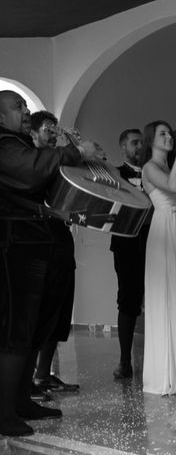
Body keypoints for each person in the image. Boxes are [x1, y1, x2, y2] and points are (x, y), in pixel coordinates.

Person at [0, 90, 96, 436]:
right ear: (0, 117)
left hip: (33, 244)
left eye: (25, 105)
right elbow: (29, 172)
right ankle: (3, 413)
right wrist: (72, 152)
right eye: (17, 106)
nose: (26, 110)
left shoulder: (20, 143)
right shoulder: (4, 146)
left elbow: (45, 178)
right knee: (16, 330)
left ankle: (21, 401)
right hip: (14, 247)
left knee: (33, 328)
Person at [141, 120, 176, 395]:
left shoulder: (167, 165)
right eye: (162, 134)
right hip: (164, 230)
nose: (169, 137)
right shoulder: (150, 167)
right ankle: (164, 376)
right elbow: (174, 187)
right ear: (151, 139)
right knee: (166, 296)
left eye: (169, 134)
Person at [29, 111, 80, 394]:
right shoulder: (30, 165)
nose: (52, 133)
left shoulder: (59, 161)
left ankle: (43, 375)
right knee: (39, 312)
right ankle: (27, 382)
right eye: (46, 129)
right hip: (38, 243)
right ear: (33, 133)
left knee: (59, 311)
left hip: (61, 241)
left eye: (54, 129)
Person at [110, 128, 149, 379]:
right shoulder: (114, 174)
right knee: (128, 300)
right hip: (126, 245)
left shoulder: (153, 172)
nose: (139, 147)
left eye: (141, 143)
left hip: (155, 240)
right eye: (135, 143)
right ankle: (125, 361)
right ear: (123, 147)